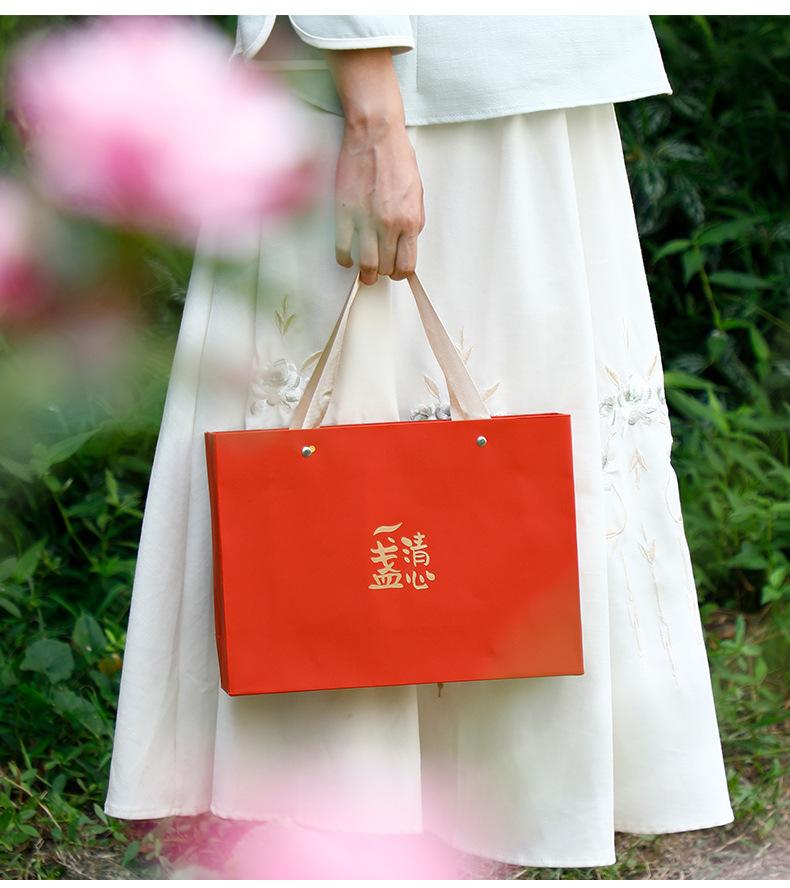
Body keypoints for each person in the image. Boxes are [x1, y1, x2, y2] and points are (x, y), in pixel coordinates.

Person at [104, 15, 734, 868]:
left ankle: (452, 809)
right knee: (363, 409)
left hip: (526, 83)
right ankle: (352, 807)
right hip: (401, 90)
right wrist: (374, 117)